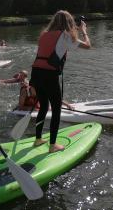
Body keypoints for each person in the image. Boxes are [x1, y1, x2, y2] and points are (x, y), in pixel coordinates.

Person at [30, 10, 91, 153]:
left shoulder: (44, 34)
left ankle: (38, 139)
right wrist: (84, 31)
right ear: (68, 23)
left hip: (36, 73)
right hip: (49, 75)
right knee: (56, 109)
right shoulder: (64, 36)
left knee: (44, 106)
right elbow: (88, 46)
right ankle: (52, 146)